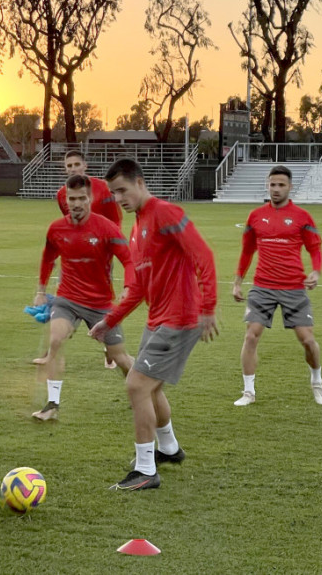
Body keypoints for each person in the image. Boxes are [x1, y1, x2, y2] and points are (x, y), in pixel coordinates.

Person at [89, 158, 218, 491]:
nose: (118, 199)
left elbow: (203, 255)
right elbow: (139, 289)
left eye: (123, 190)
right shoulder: (136, 229)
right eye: (114, 193)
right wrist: (109, 321)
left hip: (180, 319)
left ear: (140, 183)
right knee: (150, 387)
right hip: (157, 319)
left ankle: (145, 469)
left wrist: (208, 307)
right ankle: (169, 449)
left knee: (136, 385)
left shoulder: (166, 213)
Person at [31, 174, 135, 422]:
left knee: (119, 357)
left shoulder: (106, 228)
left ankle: (141, 389)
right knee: (55, 341)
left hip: (100, 304)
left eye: (81, 198)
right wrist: (40, 291)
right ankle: (52, 405)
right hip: (67, 299)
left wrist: (129, 286)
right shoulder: (56, 229)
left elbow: (129, 259)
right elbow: (48, 258)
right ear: (66, 200)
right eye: (71, 199)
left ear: (90, 199)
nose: (76, 204)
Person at [232, 165, 322, 406]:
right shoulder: (255, 216)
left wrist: (316, 272)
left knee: (307, 340)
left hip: (293, 287)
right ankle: (248, 392)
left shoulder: (302, 217)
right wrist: (237, 282)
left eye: (281, 185)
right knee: (251, 336)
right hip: (262, 286)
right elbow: (247, 251)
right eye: (272, 184)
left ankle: (317, 381)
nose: (276, 189)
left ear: (290, 187)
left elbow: (315, 248)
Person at [35, 149, 123, 368]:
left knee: (99, 302)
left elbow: (116, 220)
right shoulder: (61, 194)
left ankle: (109, 346)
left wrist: (108, 246)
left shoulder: (104, 189)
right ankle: (55, 344)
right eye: (69, 166)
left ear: (85, 166)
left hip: (100, 252)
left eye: (76, 164)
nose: (73, 169)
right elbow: (69, 221)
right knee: (65, 298)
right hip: (73, 253)